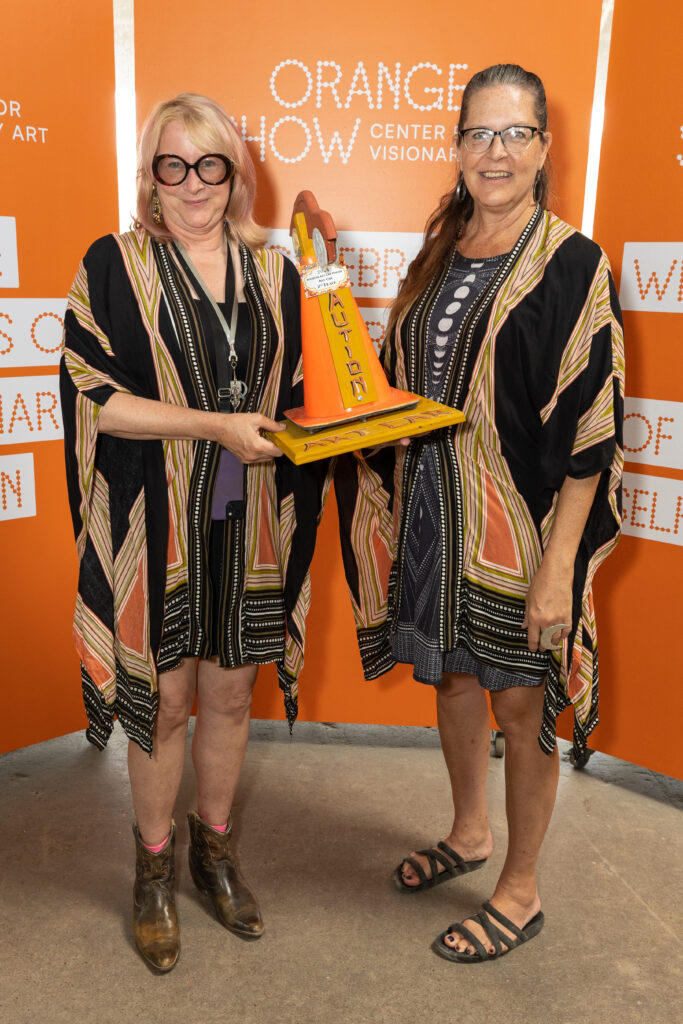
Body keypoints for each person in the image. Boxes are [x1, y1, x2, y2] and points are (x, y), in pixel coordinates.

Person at [338, 64, 624, 963]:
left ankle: (520, 887)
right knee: (452, 680)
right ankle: (469, 834)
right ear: (456, 146)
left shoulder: (573, 261)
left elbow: (590, 430)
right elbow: (394, 378)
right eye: (477, 134)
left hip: (519, 534)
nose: (493, 153)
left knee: (517, 702)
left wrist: (557, 569)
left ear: (544, 148)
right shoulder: (441, 245)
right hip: (429, 519)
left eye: (514, 134)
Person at [60, 93, 326, 972]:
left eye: (209, 164)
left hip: (248, 521)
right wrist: (213, 426)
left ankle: (215, 854)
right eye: (171, 166)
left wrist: (333, 420)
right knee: (165, 700)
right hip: (159, 518)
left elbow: (306, 397)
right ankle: (152, 873)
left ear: (233, 174)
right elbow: (99, 399)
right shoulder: (112, 264)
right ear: (150, 177)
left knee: (230, 694)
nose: (192, 184)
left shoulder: (278, 275)